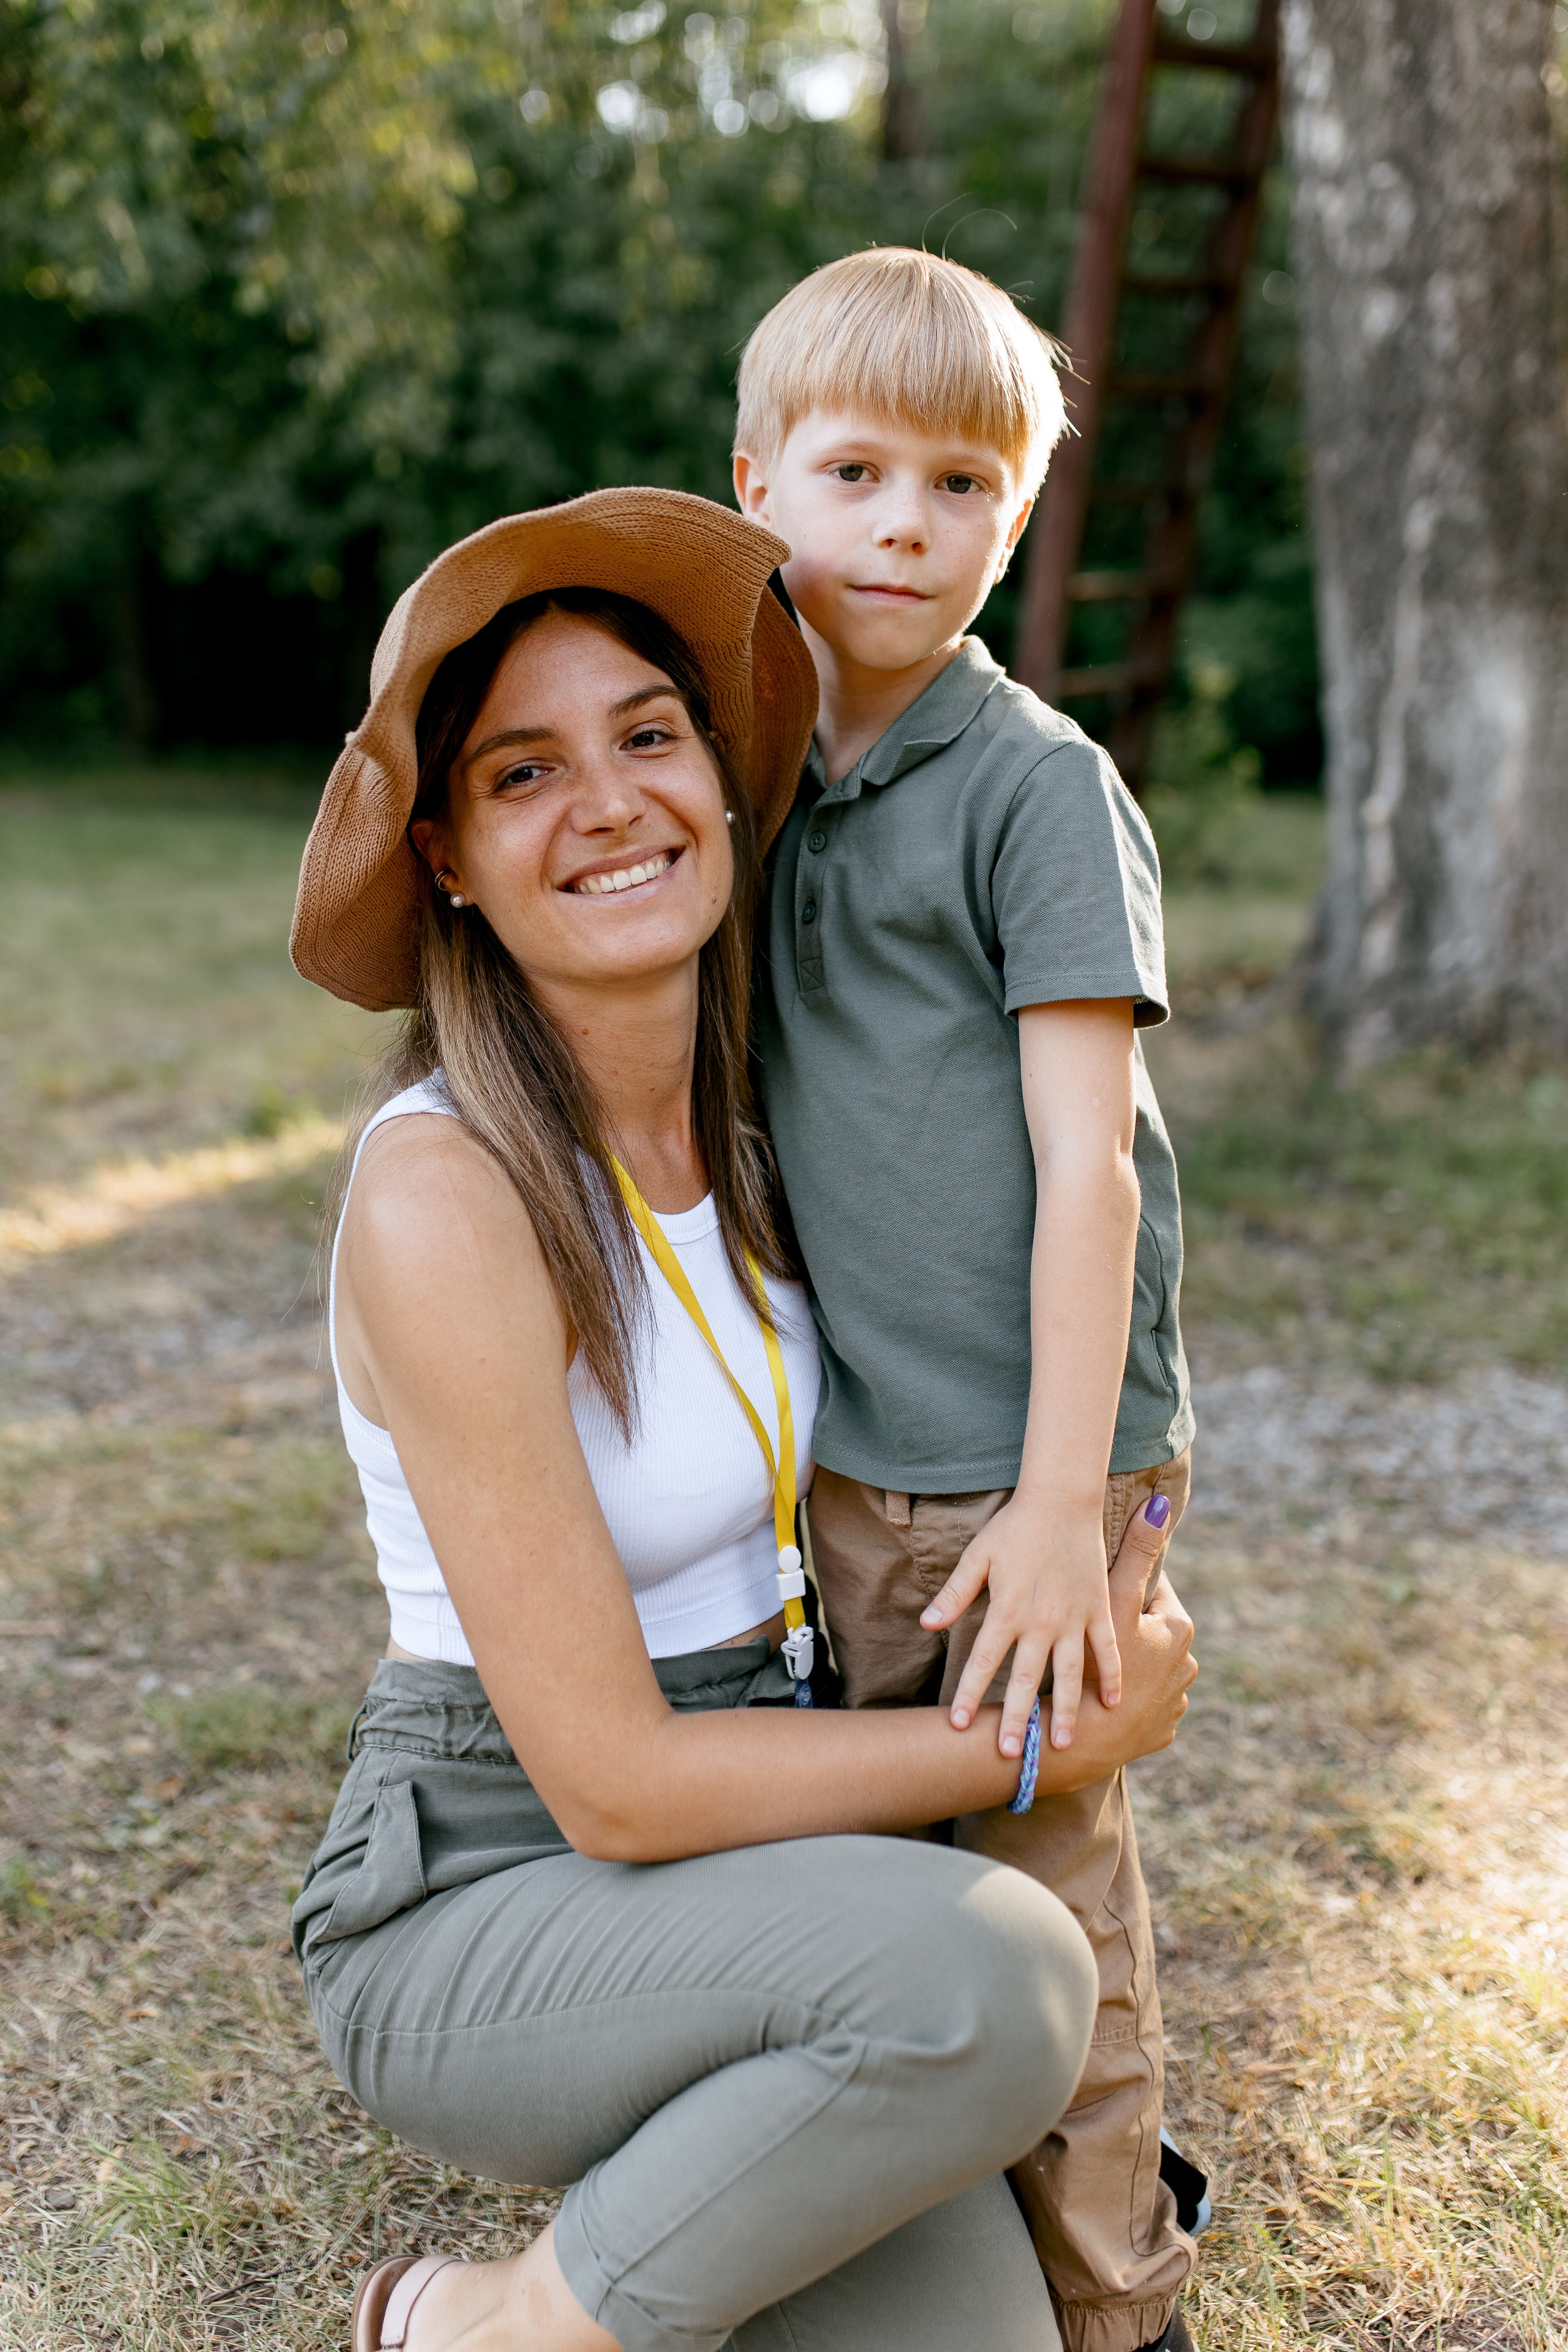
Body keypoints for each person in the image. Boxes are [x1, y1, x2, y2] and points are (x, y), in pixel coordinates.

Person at [286, 487, 1198, 2352]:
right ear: (446, 858)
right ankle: (483, 2326)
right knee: (1000, 1985)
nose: (611, 804)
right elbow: (614, 1783)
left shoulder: (772, 1129)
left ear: (720, 780)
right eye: (524, 774)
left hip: (763, 1857)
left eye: (649, 737)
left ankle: (691, 2178)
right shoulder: (446, 1192)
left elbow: (1072, 1186)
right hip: (495, 1880)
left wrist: (1078, 1526)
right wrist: (1031, 1744)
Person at [733, 249, 1202, 2352]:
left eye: (962, 485)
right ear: (758, 487)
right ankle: (939, 2220)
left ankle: (1117, 2302)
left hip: (1029, 1453)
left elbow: (1089, 1164)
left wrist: (1055, 1504)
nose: (907, 525)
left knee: (1045, 1873)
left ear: (1014, 521)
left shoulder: (1035, 787)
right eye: (857, 473)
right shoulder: (756, 778)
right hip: (859, 1453)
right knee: (891, 1860)